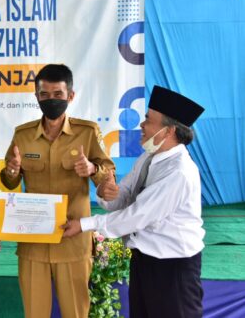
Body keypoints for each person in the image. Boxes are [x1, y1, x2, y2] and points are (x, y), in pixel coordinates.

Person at [76, 85, 206, 318]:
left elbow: (137, 216)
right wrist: (107, 192)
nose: (142, 125)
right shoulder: (148, 157)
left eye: (148, 119)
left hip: (173, 269)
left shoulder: (180, 172)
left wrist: (85, 224)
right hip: (145, 262)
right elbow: (123, 195)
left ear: (169, 131)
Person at [1, 64, 115, 318]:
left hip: (72, 241)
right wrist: (11, 171)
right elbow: (10, 183)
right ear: (37, 97)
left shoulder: (87, 133)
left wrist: (92, 169)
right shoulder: (23, 136)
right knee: (34, 313)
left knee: (76, 312)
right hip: (33, 243)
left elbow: (108, 177)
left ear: (70, 96)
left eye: (58, 95)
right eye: (45, 95)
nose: (51, 100)